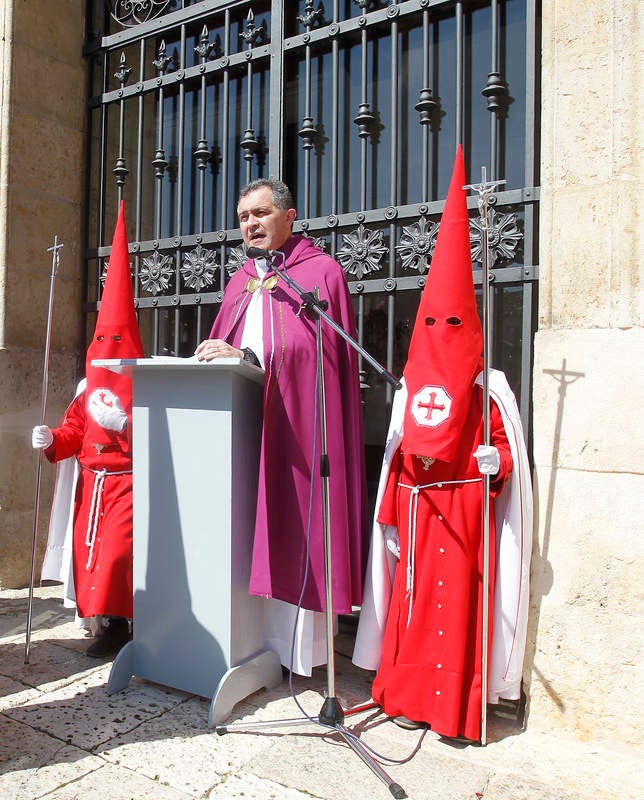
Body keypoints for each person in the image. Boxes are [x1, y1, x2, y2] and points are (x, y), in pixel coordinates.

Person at [352, 148, 533, 742]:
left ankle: (455, 708)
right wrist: (390, 520)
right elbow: (397, 459)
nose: (441, 333)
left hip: (465, 512)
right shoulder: (413, 387)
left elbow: (508, 456)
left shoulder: (490, 390)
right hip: (417, 511)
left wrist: (495, 460)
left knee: (456, 613)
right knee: (411, 609)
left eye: (452, 324)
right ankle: (404, 696)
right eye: (432, 323)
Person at [195, 178, 368, 675]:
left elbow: (318, 357)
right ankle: (238, 640)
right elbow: (222, 339)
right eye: (244, 216)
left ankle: (296, 653)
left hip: (293, 434)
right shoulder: (238, 281)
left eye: (261, 213)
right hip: (239, 431)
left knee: (291, 525)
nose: (250, 224)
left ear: (289, 217)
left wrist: (248, 357)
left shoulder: (319, 274)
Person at [32, 202, 144, 657]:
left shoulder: (148, 384)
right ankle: (106, 623)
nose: (107, 349)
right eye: (101, 340)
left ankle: (129, 623)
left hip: (129, 485)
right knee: (91, 554)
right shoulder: (86, 386)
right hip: (90, 485)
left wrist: (127, 425)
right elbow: (74, 429)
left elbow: (167, 440)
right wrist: (51, 439)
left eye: (116, 340)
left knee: (119, 556)